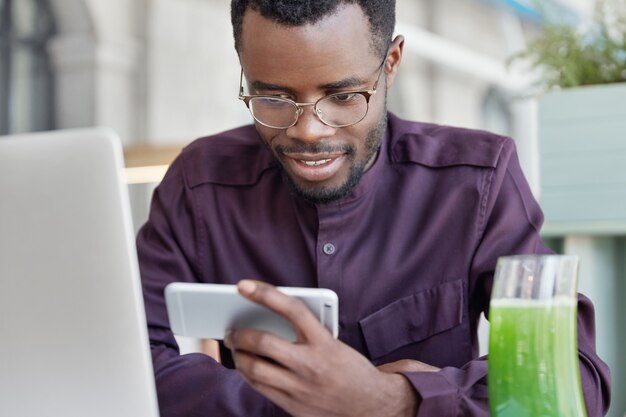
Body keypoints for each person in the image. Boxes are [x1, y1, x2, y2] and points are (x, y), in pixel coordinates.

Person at [137, 1, 611, 416]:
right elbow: (129, 357)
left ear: (391, 64)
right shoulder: (198, 184)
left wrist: (394, 402)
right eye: (273, 98)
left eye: (342, 97)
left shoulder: (477, 181)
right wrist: (308, 404)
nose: (309, 131)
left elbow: (575, 380)